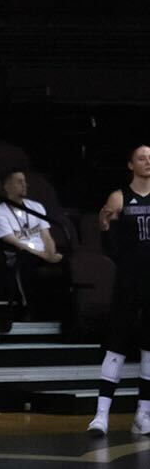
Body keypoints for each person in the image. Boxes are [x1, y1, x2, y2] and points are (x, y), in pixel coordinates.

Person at [88, 145, 150, 436]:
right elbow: (110, 246)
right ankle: (101, 415)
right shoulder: (120, 197)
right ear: (130, 164)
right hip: (128, 280)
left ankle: (143, 414)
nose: (148, 161)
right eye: (142, 157)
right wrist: (103, 226)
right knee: (117, 343)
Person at [0, 169, 66, 331]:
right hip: (20, 253)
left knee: (69, 264)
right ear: (7, 186)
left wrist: (51, 254)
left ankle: (65, 315)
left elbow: (46, 236)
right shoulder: (1, 212)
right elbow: (15, 242)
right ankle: (29, 309)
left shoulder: (36, 207)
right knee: (24, 261)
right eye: (19, 181)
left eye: (25, 181)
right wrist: (43, 255)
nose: (25, 185)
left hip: (43, 254)